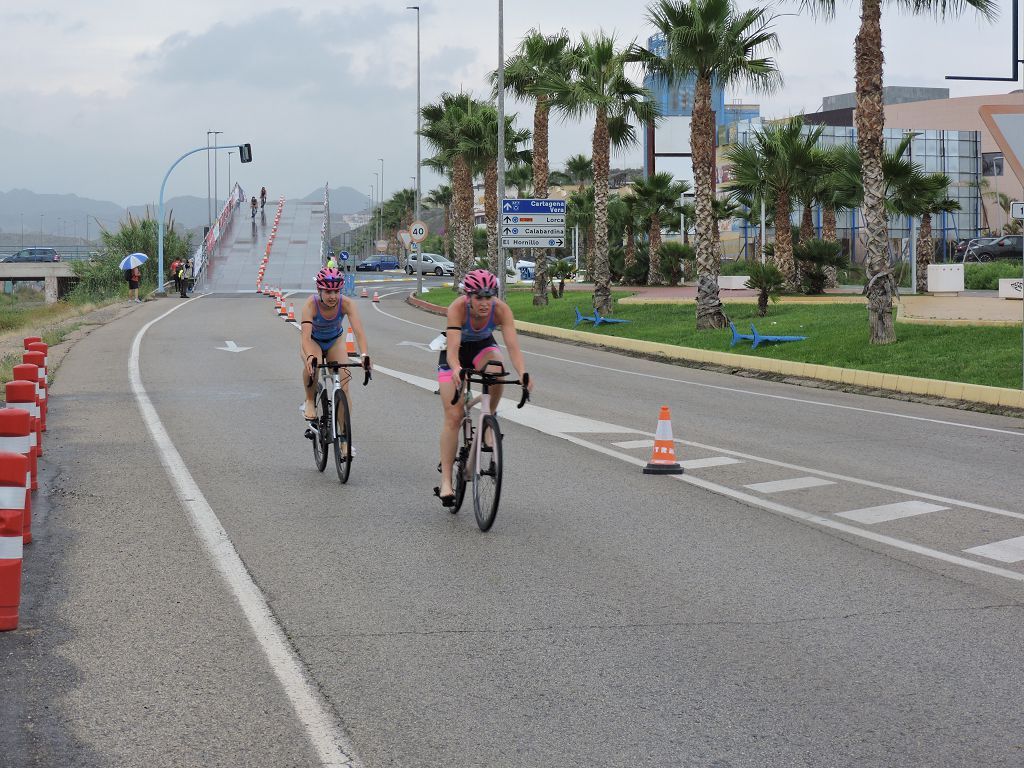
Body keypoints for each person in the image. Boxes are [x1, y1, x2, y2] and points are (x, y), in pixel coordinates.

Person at [434, 268, 532, 506]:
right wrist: (457, 369)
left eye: (489, 297)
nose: (485, 303)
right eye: (479, 297)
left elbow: (513, 348)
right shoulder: (457, 308)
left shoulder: (501, 310)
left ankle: (489, 418)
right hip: (454, 355)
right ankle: (447, 481)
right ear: (468, 297)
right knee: (454, 416)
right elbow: (454, 351)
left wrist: (523, 374)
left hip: (482, 348)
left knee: (498, 370)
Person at [299, 267, 371, 429]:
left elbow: (359, 332)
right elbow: (305, 337)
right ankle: (309, 400)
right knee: (314, 365)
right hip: (313, 341)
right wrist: (309, 357)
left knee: (344, 387)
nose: (333, 297)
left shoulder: (346, 304)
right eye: (328, 292)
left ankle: (344, 439)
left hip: (334, 341)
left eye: (336, 292)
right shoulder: (310, 305)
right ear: (319, 291)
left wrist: (365, 355)